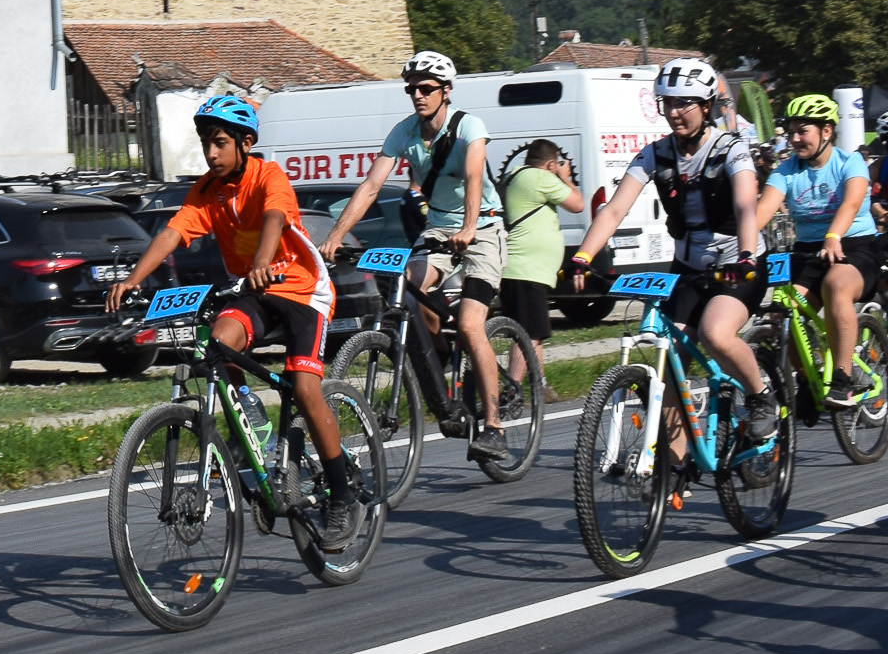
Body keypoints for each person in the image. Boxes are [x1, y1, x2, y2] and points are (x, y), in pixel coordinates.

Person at [104, 91, 358, 548]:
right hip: (254, 292)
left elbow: (274, 218)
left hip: (302, 290)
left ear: (245, 143)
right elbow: (173, 233)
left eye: (220, 143)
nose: (211, 153)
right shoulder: (208, 190)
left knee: (304, 388)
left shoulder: (268, 176)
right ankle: (251, 417)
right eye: (206, 143)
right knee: (216, 343)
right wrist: (132, 279)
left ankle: (341, 495)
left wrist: (261, 262)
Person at [570, 56, 778, 469]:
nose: (675, 112)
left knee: (716, 333)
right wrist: (582, 256)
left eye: (685, 103)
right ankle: (675, 467)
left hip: (738, 264)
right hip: (689, 268)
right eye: (667, 103)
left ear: (706, 106)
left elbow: (745, 206)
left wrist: (747, 255)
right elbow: (614, 210)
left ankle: (760, 397)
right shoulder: (655, 154)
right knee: (669, 363)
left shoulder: (731, 149)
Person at [316, 52, 514, 470]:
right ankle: (438, 366)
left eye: (426, 88)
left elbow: (474, 177)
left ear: (446, 91)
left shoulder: (469, 127)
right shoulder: (404, 132)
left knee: (470, 323)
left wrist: (469, 227)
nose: (418, 95)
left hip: (483, 229)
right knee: (406, 289)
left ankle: (494, 427)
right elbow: (372, 185)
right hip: (438, 231)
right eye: (412, 89)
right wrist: (334, 235)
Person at [755, 94, 879, 403]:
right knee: (782, 313)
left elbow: (852, 203)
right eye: (791, 132)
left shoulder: (850, 162)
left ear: (826, 131)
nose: (795, 139)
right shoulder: (786, 170)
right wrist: (739, 245)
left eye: (803, 131)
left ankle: (843, 376)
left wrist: (833, 235)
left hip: (854, 245)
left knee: (835, 284)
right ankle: (806, 379)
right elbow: (763, 210)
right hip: (808, 250)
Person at [495, 139, 583, 375]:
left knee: (534, 333)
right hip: (526, 269)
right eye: (557, 164)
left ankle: (540, 386)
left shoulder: (516, 175)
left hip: (521, 269)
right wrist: (565, 177)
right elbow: (578, 204)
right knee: (528, 334)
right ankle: (513, 388)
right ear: (551, 164)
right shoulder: (539, 178)